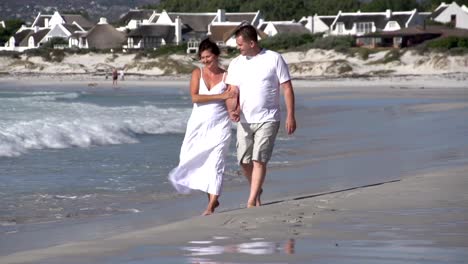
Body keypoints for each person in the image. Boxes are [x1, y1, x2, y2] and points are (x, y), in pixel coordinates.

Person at [225, 24, 297, 208]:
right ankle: (256, 190)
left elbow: (287, 87)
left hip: (268, 118)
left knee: (259, 159)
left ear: (251, 42)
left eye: (240, 44)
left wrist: (291, 115)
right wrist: (232, 109)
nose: (238, 47)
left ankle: (251, 201)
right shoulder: (236, 63)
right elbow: (232, 91)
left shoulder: (274, 58)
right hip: (245, 120)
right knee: (243, 160)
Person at [169, 38, 236, 216]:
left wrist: (234, 111)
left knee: (216, 162)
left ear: (216, 55)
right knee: (191, 158)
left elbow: (231, 98)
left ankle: (211, 205)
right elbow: (195, 98)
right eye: (203, 57)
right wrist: (222, 95)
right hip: (198, 125)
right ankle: (212, 197)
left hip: (220, 125)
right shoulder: (197, 73)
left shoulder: (227, 75)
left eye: (208, 56)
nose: (205, 60)